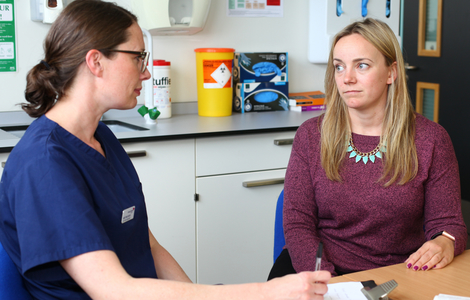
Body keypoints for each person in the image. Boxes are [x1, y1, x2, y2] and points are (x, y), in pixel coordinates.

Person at [0, 0, 331, 299]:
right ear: (96, 62)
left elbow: (150, 246)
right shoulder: (44, 164)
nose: (145, 71)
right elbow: (112, 289)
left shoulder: (101, 138)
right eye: (137, 57)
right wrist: (262, 292)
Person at [276, 18, 467, 277]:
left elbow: (448, 224)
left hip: (398, 274)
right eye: (339, 67)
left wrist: (445, 241)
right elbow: (298, 225)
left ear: (391, 72)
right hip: (319, 271)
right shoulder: (311, 135)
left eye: (362, 65)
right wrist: (331, 283)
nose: (347, 78)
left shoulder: (431, 139)